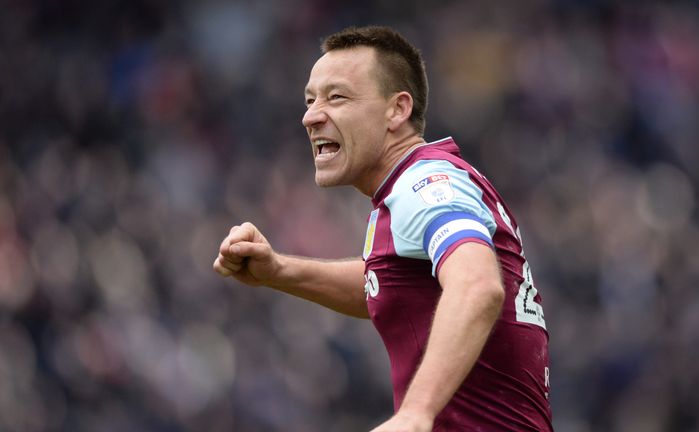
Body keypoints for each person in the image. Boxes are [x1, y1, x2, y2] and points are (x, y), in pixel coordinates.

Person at [213, 26, 552, 431]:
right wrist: (280, 271)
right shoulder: (409, 189)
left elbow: (478, 286)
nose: (311, 115)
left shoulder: (423, 185)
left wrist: (415, 413)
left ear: (397, 109)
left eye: (336, 97)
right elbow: (388, 285)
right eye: (309, 100)